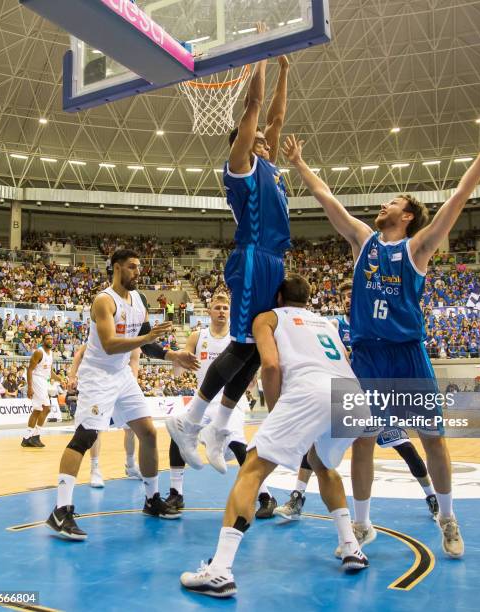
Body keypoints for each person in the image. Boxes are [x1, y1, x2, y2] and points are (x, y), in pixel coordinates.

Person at [283, 115, 480, 558]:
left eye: (391, 201)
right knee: (361, 440)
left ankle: (447, 517)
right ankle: (363, 526)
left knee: (433, 439)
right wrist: (299, 163)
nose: (382, 204)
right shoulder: (362, 240)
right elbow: (326, 197)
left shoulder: (418, 247)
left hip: (407, 355)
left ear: (406, 216)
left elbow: (459, 198)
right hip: (366, 357)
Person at [180, 275, 369, 598]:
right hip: (351, 396)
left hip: (309, 392)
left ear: (278, 295)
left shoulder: (267, 317)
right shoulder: (327, 323)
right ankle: (351, 546)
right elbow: (346, 361)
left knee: (252, 469)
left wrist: (279, 410)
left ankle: (220, 570)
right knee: (324, 466)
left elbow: (269, 365)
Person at [168, 49, 291, 474]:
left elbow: (274, 117)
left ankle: (220, 426)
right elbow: (255, 108)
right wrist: (260, 57)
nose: (267, 137)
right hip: (253, 256)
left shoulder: (270, 167)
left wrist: (284, 70)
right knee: (243, 344)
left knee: (259, 346)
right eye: (257, 134)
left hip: (273, 259)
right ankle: (190, 421)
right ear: (243, 137)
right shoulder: (240, 165)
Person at [45, 249, 199, 541]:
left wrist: (172, 355)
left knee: (149, 433)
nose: (137, 272)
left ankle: (152, 499)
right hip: (98, 374)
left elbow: (147, 344)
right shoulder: (104, 301)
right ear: (116, 268)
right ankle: (60, 510)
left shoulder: (138, 299)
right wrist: (147, 338)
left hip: (122, 375)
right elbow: (110, 345)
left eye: (138, 267)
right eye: (131, 267)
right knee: (85, 437)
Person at [275, 280, 438, 521]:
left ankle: (432, 497)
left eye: (353, 295)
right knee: (315, 446)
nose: (349, 300)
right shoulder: (333, 325)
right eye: (345, 297)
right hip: (348, 394)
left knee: (405, 448)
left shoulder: (376, 325)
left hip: (376, 395)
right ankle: (297, 497)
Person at [166, 293, 277, 518]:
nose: (221, 311)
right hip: (204, 400)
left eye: (225, 308)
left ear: (231, 312)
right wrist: (178, 361)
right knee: (178, 433)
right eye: (217, 307)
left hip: (230, 401)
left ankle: (266, 496)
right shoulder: (198, 336)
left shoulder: (237, 338)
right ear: (208, 312)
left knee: (237, 442)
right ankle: (176, 493)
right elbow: (179, 367)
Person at [67, 344, 143, 488]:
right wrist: (72, 376)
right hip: (101, 385)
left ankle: (131, 465)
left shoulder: (133, 337)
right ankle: (95, 469)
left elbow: (134, 362)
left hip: (123, 385)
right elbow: (79, 354)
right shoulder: (104, 333)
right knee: (96, 429)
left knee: (131, 427)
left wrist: (132, 385)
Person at [21, 333, 61, 448]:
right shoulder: (39, 352)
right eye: (47, 339)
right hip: (37, 379)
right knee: (47, 408)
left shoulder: (51, 353)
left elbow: (50, 373)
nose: (50, 340)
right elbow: (29, 370)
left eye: (51, 339)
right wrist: (29, 387)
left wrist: (60, 379)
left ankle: (27, 438)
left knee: (38, 410)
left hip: (44, 380)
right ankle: (35, 437)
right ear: (43, 341)